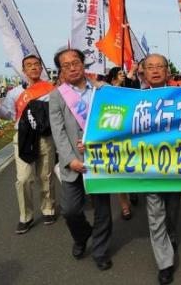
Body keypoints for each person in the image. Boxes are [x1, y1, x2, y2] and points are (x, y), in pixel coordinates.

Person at [49, 48, 113, 271]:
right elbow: (58, 131)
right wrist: (69, 159)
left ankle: (101, 251)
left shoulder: (101, 91)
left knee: (102, 209)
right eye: (66, 65)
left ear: (83, 64)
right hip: (73, 163)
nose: (72, 67)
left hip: (99, 160)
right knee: (70, 210)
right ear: (61, 70)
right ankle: (82, 234)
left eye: (75, 62)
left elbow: (114, 120)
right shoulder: (57, 95)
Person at [0, 55, 57, 234]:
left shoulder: (51, 89)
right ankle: (25, 216)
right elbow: (8, 115)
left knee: (46, 175)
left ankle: (48, 209)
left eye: (36, 65)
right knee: (24, 178)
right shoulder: (14, 93)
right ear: (24, 70)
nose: (33, 68)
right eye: (29, 65)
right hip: (23, 137)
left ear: (41, 68)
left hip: (45, 136)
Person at [142, 53, 181, 284]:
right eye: (150, 67)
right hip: (149, 167)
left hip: (177, 165)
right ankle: (165, 262)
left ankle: (172, 235)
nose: (155, 71)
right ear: (144, 72)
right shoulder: (133, 99)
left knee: (172, 208)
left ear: (167, 71)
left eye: (160, 66)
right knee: (155, 213)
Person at [105, 67, 134, 220]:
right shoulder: (105, 90)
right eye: (121, 73)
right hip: (114, 135)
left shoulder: (130, 89)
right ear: (114, 76)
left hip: (130, 135)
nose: (123, 75)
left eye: (124, 73)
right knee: (118, 170)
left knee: (131, 166)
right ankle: (124, 206)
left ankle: (133, 191)